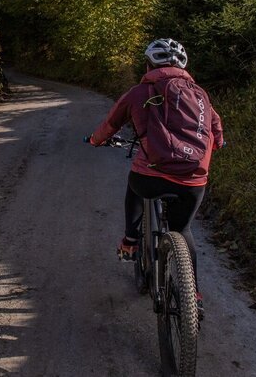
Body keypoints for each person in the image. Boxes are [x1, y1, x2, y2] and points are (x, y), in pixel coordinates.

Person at [89, 38, 224, 315]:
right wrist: (218, 143)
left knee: (135, 184)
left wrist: (95, 140)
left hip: (153, 175)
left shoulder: (138, 93)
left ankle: (129, 242)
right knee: (183, 230)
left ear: (149, 64)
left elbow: (111, 124)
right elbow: (216, 127)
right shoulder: (200, 94)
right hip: (193, 178)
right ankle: (193, 293)